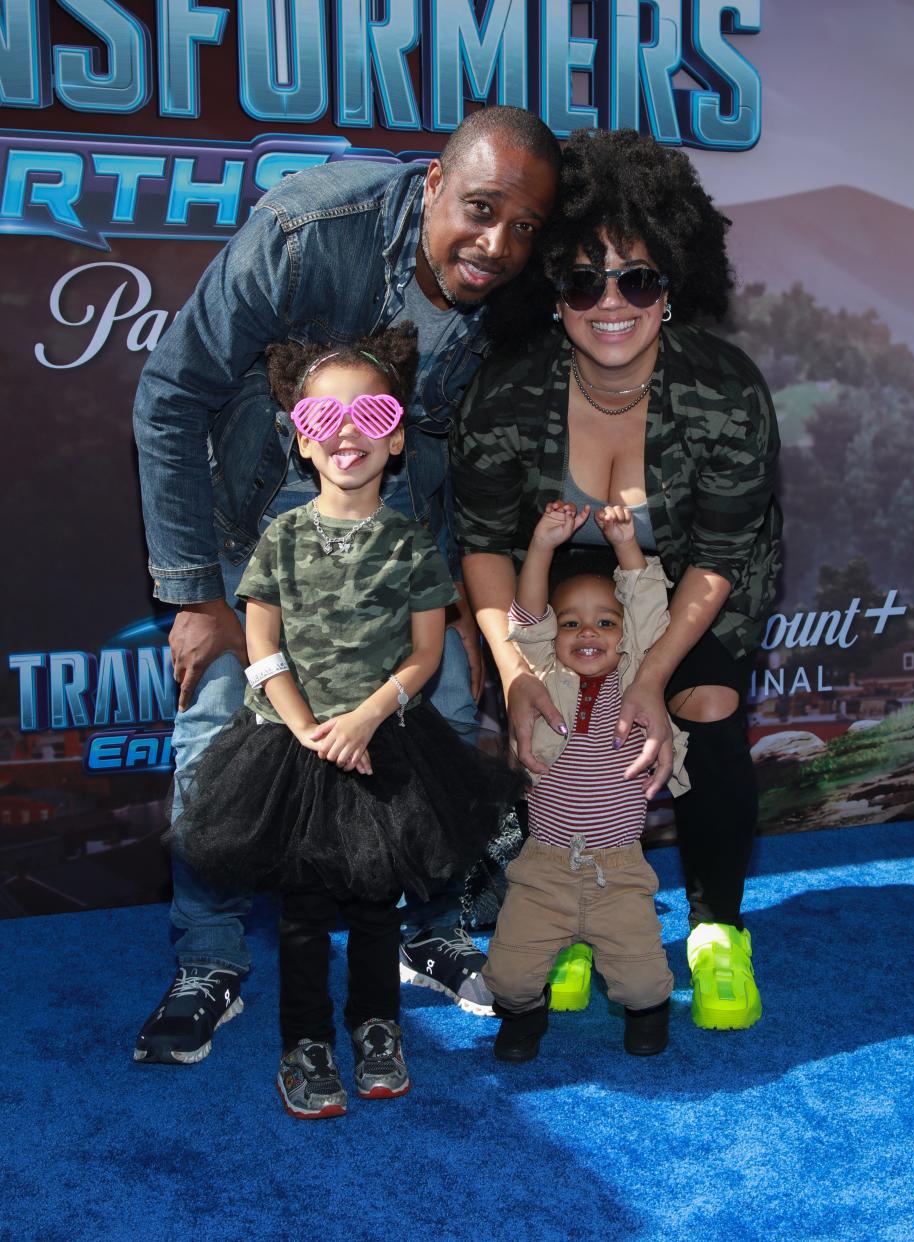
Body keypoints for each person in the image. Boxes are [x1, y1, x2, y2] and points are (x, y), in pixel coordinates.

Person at [132, 106, 559, 1063]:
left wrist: (460, 608)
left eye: (525, 226)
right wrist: (197, 592)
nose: (498, 244)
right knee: (216, 743)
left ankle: (429, 933)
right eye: (481, 209)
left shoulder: (514, 300)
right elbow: (170, 396)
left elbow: (464, 456)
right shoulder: (308, 232)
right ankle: (209, 963)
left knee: (443, 729)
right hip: (261, 522)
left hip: (405, 535)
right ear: (435, 183)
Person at [452, 128, 782, 1033]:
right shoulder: (509, 393)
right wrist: (518, 673)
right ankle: (557, 916)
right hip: (550, 583)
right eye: (582, 279)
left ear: (672, 288)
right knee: (551, 707)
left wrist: (648, 677)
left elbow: (718, 557)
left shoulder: (725, 390)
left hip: (690, 588)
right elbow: (481, 541)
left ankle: (718, 930)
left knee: (706, 705)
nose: (611, 302)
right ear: (549, 293)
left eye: (637, 278)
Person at [165, 328, 524, 1118]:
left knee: (373, 907)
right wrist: (304, 729)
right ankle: (305, 1045)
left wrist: (365, 718)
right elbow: (260, 643)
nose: (348, 433)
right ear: (300, 439)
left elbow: (427, 653)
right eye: (324, 419)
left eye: (371, 413)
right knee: (300, 917)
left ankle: (376, 1029)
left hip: (388, 743)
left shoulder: (411, 543)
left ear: (397, 436)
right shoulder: (280, 539)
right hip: (291, 754)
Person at [483, 501, 688, 1062]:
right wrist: (542, 545)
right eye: (570, 622)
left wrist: (626, 543)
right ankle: (526, 1015)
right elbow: (523, 619)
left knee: (644, 981)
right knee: (506, 976)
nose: (587, 631)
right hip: (544, 866)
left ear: (625, 637)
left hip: (618, 870)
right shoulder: (544, 678)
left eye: (605, 621)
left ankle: (648, 1013)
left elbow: (649, 607)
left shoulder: (637, 678)